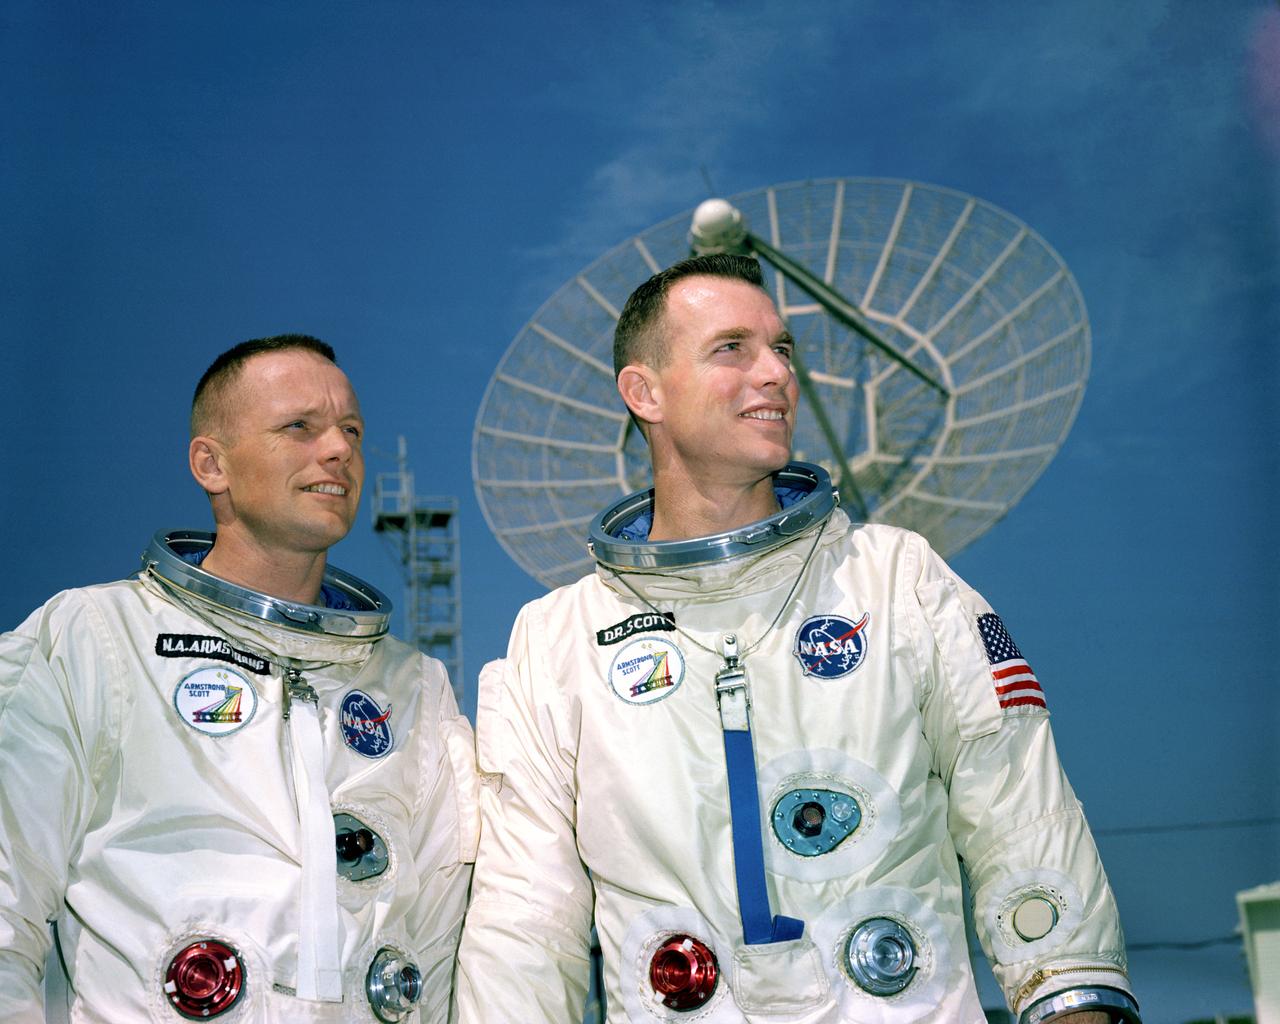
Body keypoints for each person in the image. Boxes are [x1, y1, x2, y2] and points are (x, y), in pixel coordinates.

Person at [456, 256, 1138, 1024]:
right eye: (731, 349)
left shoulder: (895, 580)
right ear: (644, 392)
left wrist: (1071, 991)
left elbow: (1016, 802)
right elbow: (525, 912)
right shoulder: (557, 642)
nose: (776, 374)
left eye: (781, 349)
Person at [0, 335, 478, 1023]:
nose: (340, 450)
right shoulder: (94, 639)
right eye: (299, 427)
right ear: (212, 464)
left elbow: (437, 945)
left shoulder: (413, 687)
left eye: (351, 430)